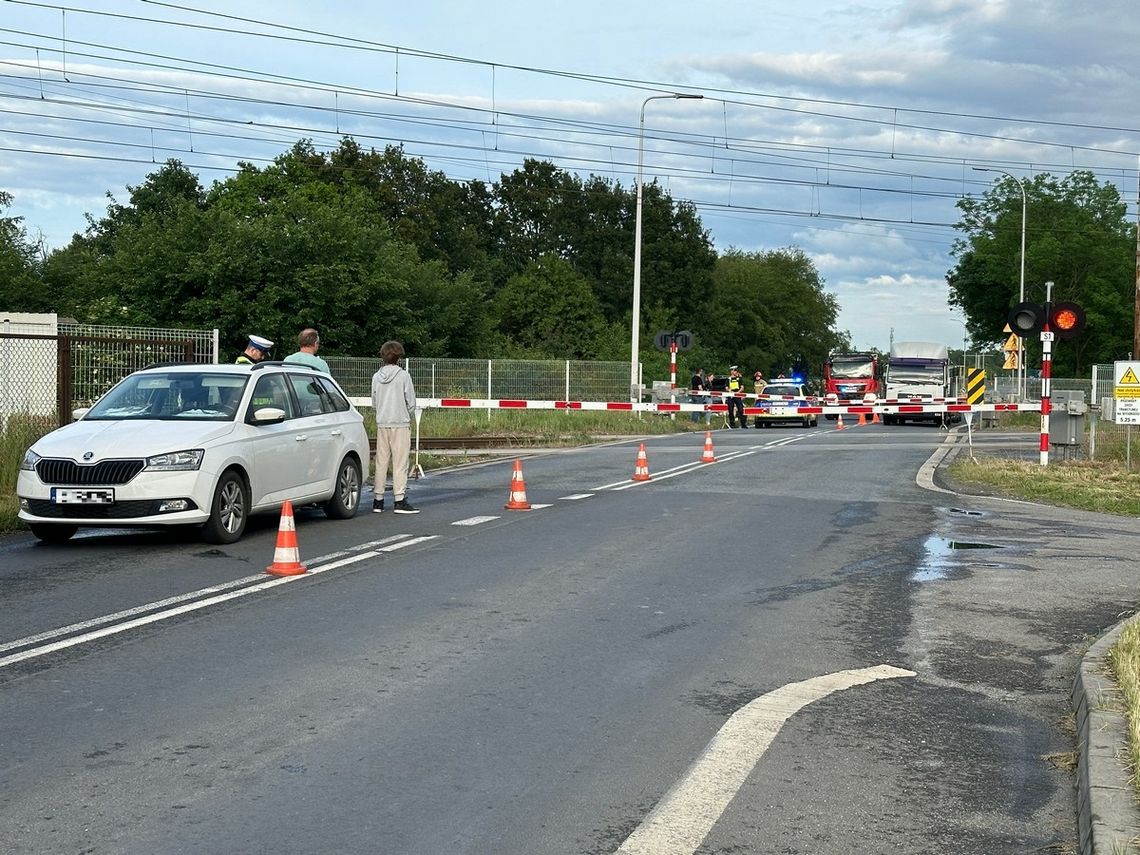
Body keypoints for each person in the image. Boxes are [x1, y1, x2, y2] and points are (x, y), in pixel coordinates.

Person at [370, 340, 419, 514]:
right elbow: (411, 402)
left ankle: (378, 500)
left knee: (381, 462)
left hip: (382, 423)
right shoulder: (403, 376)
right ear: (399, 356)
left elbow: (374, 402)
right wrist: (406, 414)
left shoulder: (376, 376)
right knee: (400, 462)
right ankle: (399, 500)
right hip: (400, 422)